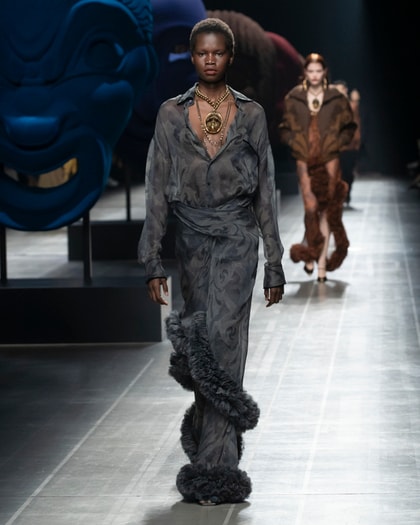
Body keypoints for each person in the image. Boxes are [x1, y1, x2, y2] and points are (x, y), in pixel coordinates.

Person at [138, 17, 286, 505]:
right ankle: (211, 444)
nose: (208, 59)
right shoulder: (170, 114)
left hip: (238, 236)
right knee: (201, 341)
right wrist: (151, 258)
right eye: (201, 52)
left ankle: (216, 470)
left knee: (225, 339)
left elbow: (266, 189)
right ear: (192, 55)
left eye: (217, 52)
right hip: (191, 239)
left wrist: (274, 261)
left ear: (230, 57)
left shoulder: (251, 115)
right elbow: (156, 187)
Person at [278, 52, 357, 282]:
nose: (314, 75)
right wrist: (294, 142)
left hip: (329, 158)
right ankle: (311, 252)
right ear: (305, 72)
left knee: (326, 209)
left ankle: (320, 263)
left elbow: (349, 126)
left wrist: (337, 143)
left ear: (324, 72)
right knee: (311, 207)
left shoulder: (335, 97)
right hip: (304, 158)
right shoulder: (294, 97)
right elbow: (283, 127)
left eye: (318, 71)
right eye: (310, 71)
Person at [331, 80, 362, 205]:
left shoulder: (351, 106)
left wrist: (357, 142)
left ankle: (346, 193)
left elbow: (356, 122)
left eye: (342, 90)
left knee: (348, 172)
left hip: (349, 146)